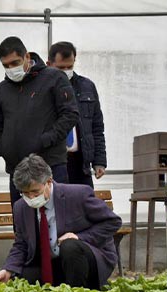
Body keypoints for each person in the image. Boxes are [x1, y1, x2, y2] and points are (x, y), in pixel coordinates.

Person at [0, 154, 121, 289]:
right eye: (25, 193)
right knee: (24, 277)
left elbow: (112, 222)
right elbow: (21, 244)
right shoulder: (20, 207)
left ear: (49, 181)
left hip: (85, 258)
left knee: (70, 246)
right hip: (51, 262)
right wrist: (8, 269)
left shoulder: (78, 194)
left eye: (35, 192)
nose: (31, 197)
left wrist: (79, 237)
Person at [0, 36, 79, 208]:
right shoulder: (3, 89)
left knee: (57, 218)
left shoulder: (54, 78)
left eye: (15, 62)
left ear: (27, 57)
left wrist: (46, 140)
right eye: (6, 65)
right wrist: (0, 146)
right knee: (22, 223)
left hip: (50, 164)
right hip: (18, 169)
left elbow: (70, 114)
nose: (11, 68)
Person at [47, 41, 107, 188]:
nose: (66, 71)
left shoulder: (87, 87)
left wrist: (99, 161)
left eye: (70, 66)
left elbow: (96, 127)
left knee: (83, 206)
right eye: (61, 67)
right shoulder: (43, 89)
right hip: (53, 162)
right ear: (49, 64)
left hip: (81, 163)